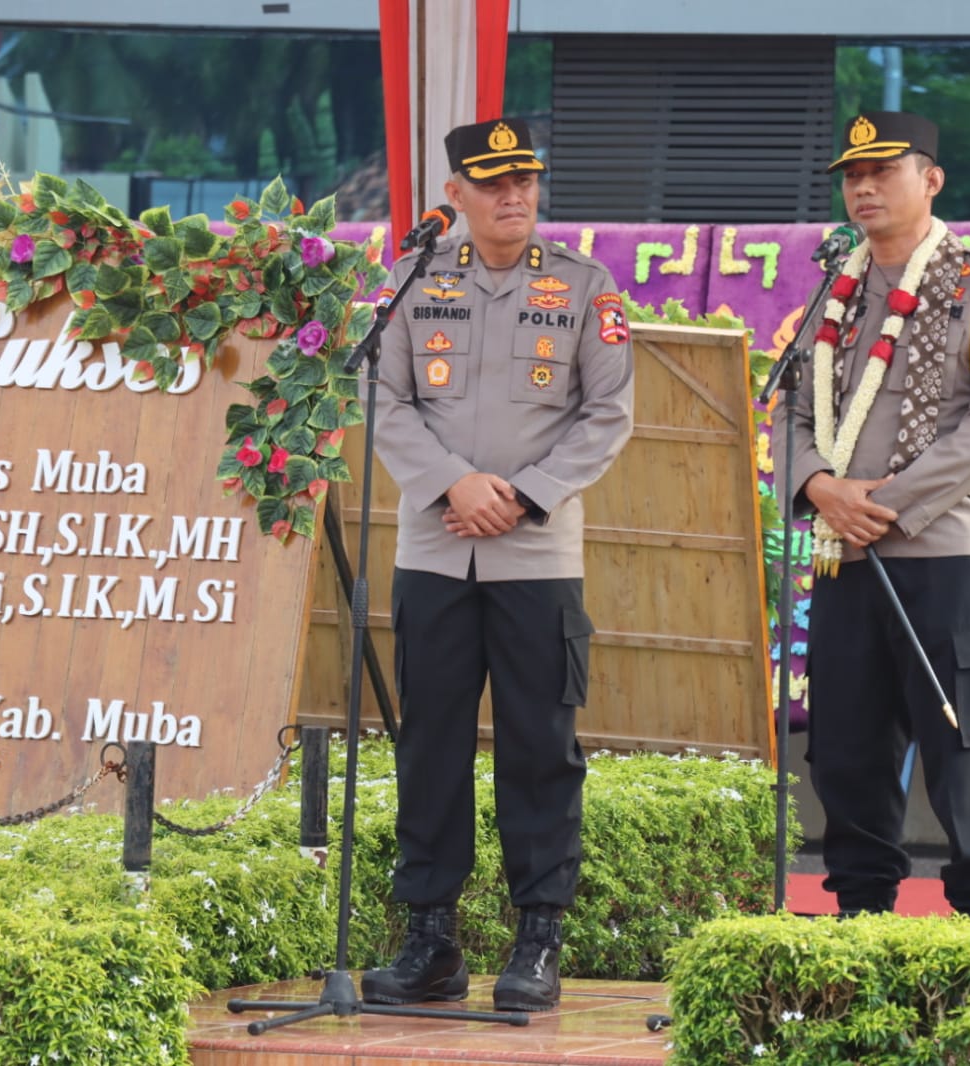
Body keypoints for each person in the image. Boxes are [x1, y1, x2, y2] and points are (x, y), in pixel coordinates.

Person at [361, 116, 635, 1011]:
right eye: (492, 182)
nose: (513, 195)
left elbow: (608, 414)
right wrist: (452, 486)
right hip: (435, 552)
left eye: (524, 180)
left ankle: (537, 943)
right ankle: (430, 943)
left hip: (536, 555)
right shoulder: (409, 284)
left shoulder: (584, 288)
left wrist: (519, 494)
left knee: (540, 749)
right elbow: (381, 395)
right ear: (455, 196)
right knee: (428, 747)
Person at [772, 111, 970, 922]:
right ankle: (860, 911)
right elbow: (786, 414)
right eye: (852, 176)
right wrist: (822, 488)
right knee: (845, 748)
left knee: (960, 747)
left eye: (883, 172)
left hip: (948, 554)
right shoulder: (832, 289)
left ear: (930, 180)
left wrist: (879, 506)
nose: (863, 188)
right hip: (843, 556)